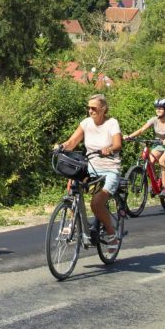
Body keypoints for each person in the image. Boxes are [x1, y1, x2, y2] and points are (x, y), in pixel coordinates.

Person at [56, 93, 122, 245]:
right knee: (72, 183)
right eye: (88, 108)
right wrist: (61, 147)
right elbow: (72, 142)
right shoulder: (86, 123)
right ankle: (72, 222)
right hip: (91, 167)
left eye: (94, 108)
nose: (90, 111)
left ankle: (112, 235)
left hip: (109, 169)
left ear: (103, 108)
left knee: (96, 204)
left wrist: (109, 148)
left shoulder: (112, 123)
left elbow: (118, 144)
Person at [126, 98, 165, 195]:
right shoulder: (154, 120)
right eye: (157, 108)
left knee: (162, 160)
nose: (158, 110)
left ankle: (164, 189)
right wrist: (129, 136)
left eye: (161, 108)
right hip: (158, 145)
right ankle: (155, 182)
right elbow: (141, 130)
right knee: (149, 161)